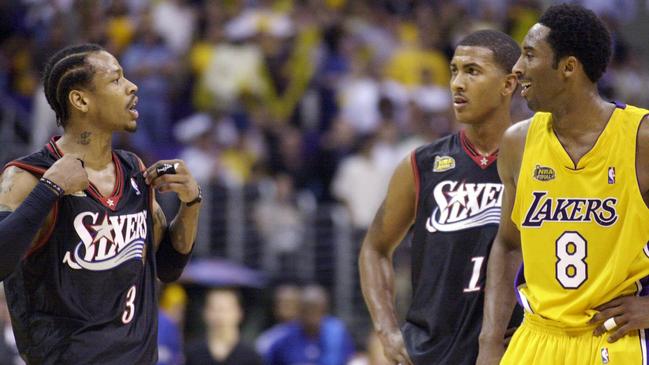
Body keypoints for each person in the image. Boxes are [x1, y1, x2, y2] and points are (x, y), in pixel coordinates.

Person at [0, 43, 202, 364]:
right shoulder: (28, 176)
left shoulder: (133, 169)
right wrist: (51, 188)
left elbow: (167, 267)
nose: (132, 86)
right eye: (116, 80)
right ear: (80, 100)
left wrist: (191, 203)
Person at [477, 4, 649, 365]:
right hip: (536, 337)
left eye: (529, 55)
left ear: (568, 67)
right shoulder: (517, 143)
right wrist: (490, 343)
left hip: (614, 337)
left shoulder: (640, 139)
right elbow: (509, 247)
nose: (517, 68)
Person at [359, 29, 521, 365]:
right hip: (431, 351)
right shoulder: (422, 164)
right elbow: (374, 249)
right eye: (454, 71)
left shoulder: (538, 158)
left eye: (472, 71)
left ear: (509, 84)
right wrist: (387, 330)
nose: (457, 83)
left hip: (512, 350)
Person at [265, 284, 355, 365]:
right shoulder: (285, 336)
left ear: (324, 310)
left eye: (316, 309)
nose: (312, 315)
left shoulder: (336, 333)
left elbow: (349, 359)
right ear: (299, 310)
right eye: (307, 309)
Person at [185, 288, 262, 365]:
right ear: (205, 312)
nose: (219, 315)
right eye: (214, 309)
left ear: (239, 312)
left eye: (225, 309)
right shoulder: (192, 353)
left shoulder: (251, 356)